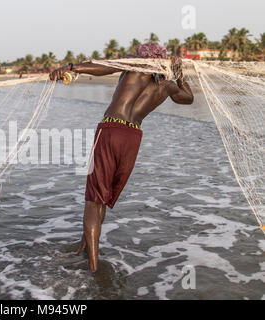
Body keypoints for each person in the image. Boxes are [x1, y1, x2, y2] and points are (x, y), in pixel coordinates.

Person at [49, 43, 194, 273]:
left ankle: (93, 268)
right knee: (103, 198)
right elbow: (187, 98)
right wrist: (179, 74)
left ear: (142, 56)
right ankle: (84, 247)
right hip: (132, 137)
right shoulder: (166, 86)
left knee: (93, 200)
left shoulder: (133, 65)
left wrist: (71, 67)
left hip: (111, 129)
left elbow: (101, 66)